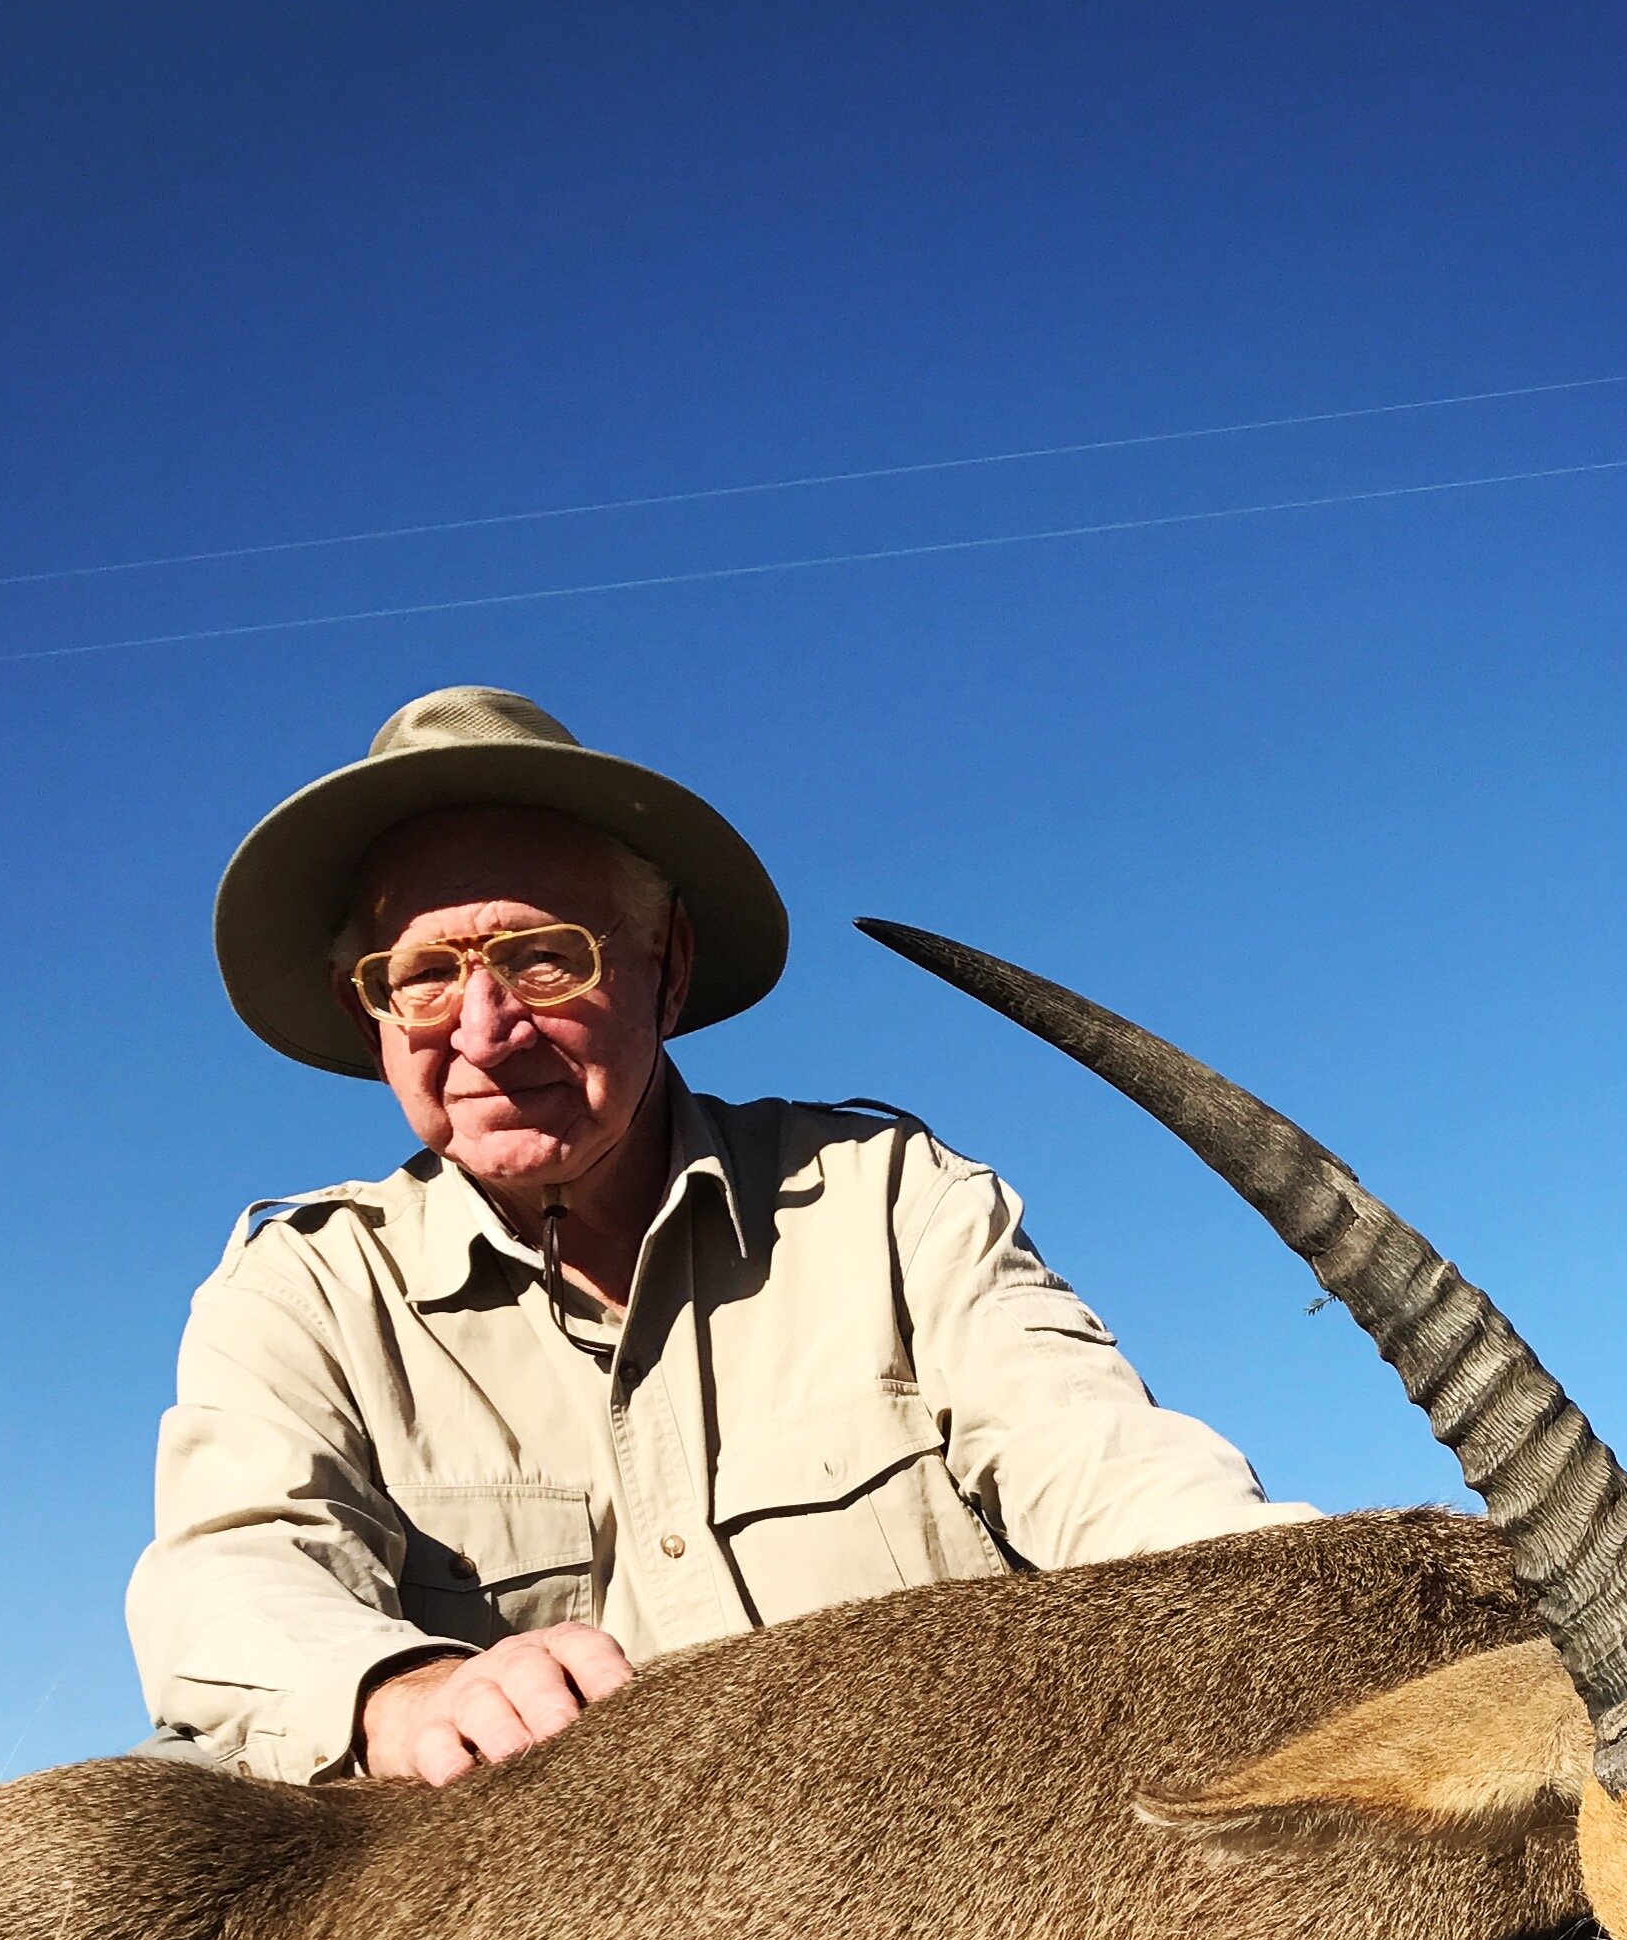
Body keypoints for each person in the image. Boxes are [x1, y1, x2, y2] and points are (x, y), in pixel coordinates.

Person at [128, 686, 1309, 1783]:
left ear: (669, 967)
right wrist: (402, 1690)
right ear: (370, 1013)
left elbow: (1096, 1457)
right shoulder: (302, 1292)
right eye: (425, 977)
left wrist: (1291, 1600)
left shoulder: (886, 1198)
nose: (485, 1031)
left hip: (963, 1878)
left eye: (545, 958)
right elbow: (229, 1573)